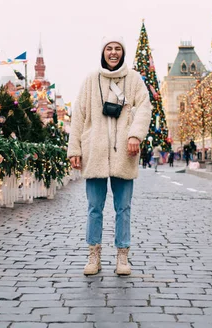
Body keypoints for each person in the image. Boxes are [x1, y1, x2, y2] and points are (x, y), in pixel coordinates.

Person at [67, 36, 151, 276]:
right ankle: (94, 255)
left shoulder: (134, 79)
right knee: (94, 208)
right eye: (109, 49)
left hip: (125, 152)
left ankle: (122, 256)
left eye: (117, 49)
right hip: (94, 151)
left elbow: (145, 108)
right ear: (103, 52)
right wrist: (74, 149)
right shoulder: (91, 80)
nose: (113, 53)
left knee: (123, 208)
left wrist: (135, 135)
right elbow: (79, 116)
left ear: (122, 52)